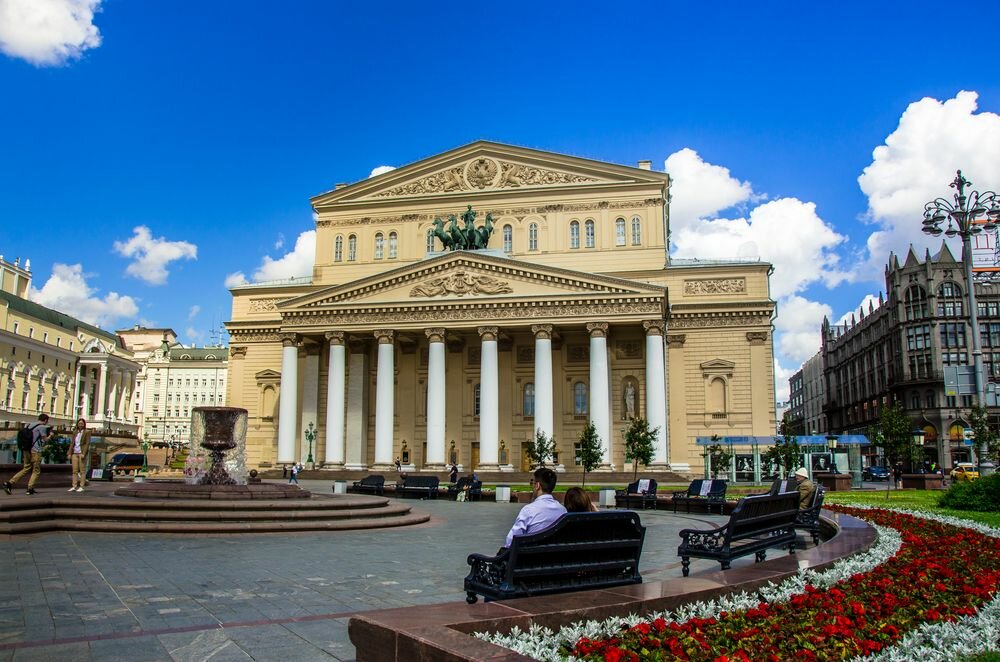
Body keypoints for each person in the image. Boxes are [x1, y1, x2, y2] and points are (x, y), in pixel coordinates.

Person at [503, 467, 566, 548]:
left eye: (532, 483)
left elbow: (510, 542)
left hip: (529, 558)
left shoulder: (528, 510)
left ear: (537, 485)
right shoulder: (562, 511)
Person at [5, 414, 52, 496]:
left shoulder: (29, 425)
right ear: (45, 420)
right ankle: (30, 489)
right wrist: (50, 435)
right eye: (47, 420)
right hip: (35, 451)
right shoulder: (42, 427)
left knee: (26, 468)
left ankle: (9, 483)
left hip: (26, 450)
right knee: (36, 470)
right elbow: (45, 440)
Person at [68, 418, 92, 492]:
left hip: (81, 453)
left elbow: (87, 443)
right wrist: (69, 453)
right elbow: (72, 443)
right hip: (75, 452)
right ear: (77, 424)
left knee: (82, 470)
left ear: (84, 424)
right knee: (74, 471)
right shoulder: (75, 432)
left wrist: (83, 453)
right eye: (79, 423)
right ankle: (74, 486)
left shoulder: (87, 432)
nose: (80, 425)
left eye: (82, 423)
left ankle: (82, 486)